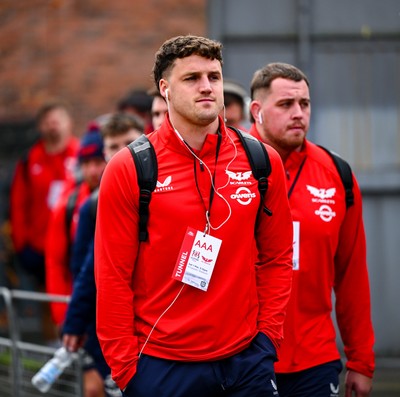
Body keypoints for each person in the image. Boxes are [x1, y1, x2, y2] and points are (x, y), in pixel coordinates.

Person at [95, 35, 293, 397]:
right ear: (165, 89)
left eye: (213, 77)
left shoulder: (261, 161)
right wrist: (128, 371)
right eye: (192, 78)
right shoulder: (131, 168)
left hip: (247, 361)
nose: (207, 88)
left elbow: (278, 258)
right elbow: (112, 278)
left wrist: (267, 340)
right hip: (162, 366)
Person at [248, 62, 375, 397]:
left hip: (314, 360)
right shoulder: (227, 167)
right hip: (243, 357)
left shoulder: (337, 174)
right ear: (257, 111)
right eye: (286, 104)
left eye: (304, 104)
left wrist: (361, 360)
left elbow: (351, 275)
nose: (298, 113)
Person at [62, 113, 144, 397]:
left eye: (130, 142)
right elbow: (85, 270)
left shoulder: (165, 190)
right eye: (114, 146)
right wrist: (76, 323)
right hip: (116, 333)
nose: (123, 151)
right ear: (105, 152)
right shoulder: (93, 206)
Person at [9, 99, 79, 288]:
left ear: (69, 123)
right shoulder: (29, 161)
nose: (52, 126)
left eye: (57, 120)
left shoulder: (82, 156)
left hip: (73, 244)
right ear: (40, 126)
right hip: (38, 247)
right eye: (48, 122)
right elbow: (18, 204)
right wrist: (22, 244)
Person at [45, 124, 106, 328]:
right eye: (86, 163)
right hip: (84, 310)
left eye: (98, 162)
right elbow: (55, 260)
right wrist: (64, 315)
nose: (92, 170)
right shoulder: (68, 205)